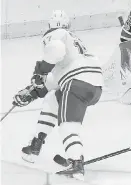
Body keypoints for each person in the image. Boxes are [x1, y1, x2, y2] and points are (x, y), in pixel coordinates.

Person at [13, 10, 103, 180]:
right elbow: (57, 77)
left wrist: (40, 73)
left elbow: (56, 49)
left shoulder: (55, 35)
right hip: (94, 85)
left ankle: (76, 163)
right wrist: (33, 92)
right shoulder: (74, 41)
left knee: (68, 125)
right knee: (52, 99)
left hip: (76, 82)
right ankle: (35, 145)